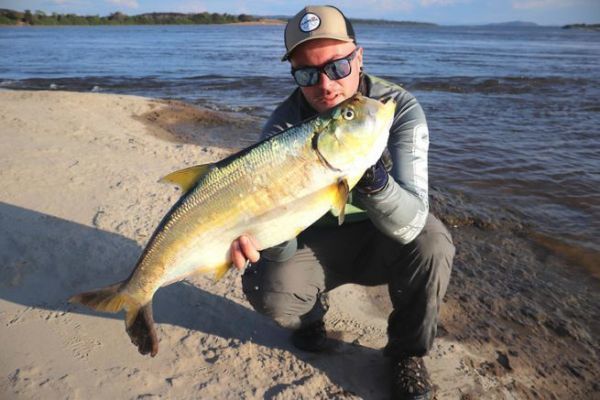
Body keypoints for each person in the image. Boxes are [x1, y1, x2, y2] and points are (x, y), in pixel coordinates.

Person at [230, 5, 455, 400]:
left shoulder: (396, 110)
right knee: (269, 284)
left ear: (359, 57)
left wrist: (374, 179)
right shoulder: (283, 130)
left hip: (382, 238)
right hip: (315, 243)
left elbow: (412, 222)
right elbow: (281, 244)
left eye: (336, 67)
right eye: (306, 74)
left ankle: (406, 354)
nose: (324, 84)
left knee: (433, 244)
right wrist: (262, 236)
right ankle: (310, 319)